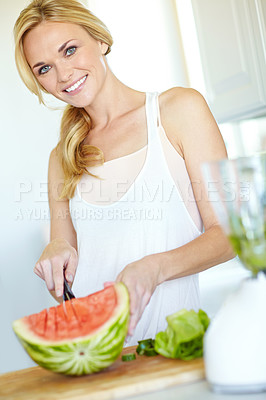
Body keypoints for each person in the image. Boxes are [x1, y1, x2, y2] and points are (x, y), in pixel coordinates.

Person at [14, 0, 233, 345]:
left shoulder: (178, 111)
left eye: (70, 50)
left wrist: (155, 267)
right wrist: (56, 255)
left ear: (100, 40)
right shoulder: (61, 157)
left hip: (168, 357)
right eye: (44, 69)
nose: (63, 75)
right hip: (98, 363)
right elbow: (70, 283)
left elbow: (230, 235)